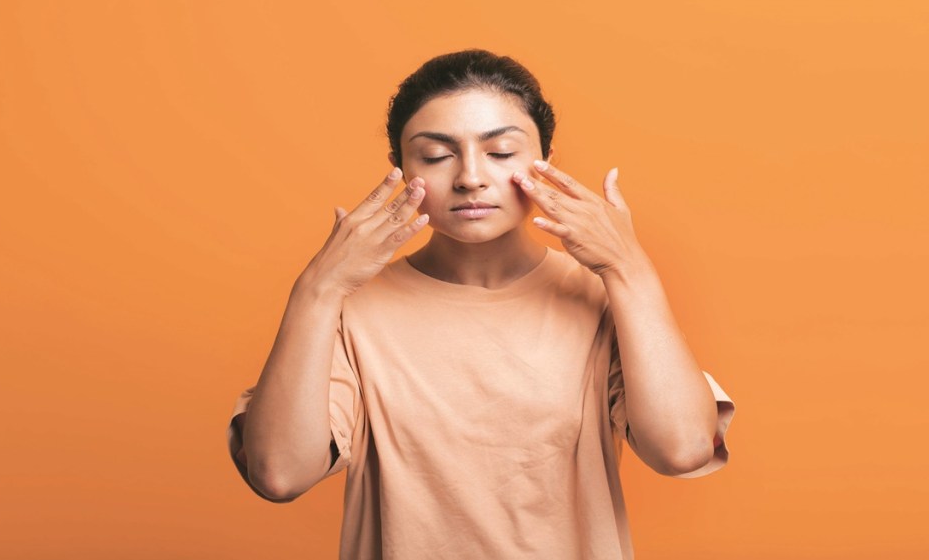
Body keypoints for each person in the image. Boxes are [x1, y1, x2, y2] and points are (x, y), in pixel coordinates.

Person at [226, 48, 736, 560]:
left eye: (501, 152)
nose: (470, 177)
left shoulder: (603, 297)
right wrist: (316, 290)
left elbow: (682, 449)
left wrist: (630, 269)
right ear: (400, 168)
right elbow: (279, 474)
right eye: (435, 155)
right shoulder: (350, 310)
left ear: (546, 159)